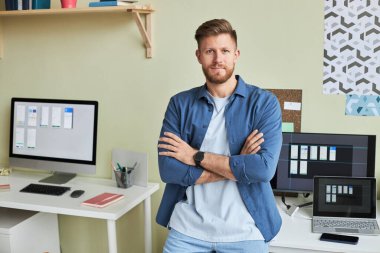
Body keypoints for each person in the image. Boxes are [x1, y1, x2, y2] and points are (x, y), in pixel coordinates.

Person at [156, 19, 282, 253]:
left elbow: (263, 170)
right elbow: (168, 170)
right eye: (209, 51)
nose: (218, 59)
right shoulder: (179, 104)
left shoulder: (265, 104)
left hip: (246, 230)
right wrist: (237, 165)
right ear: (198, 55)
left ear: (236, 54)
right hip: (187, 230)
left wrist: (195, 155)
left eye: (224, 51)